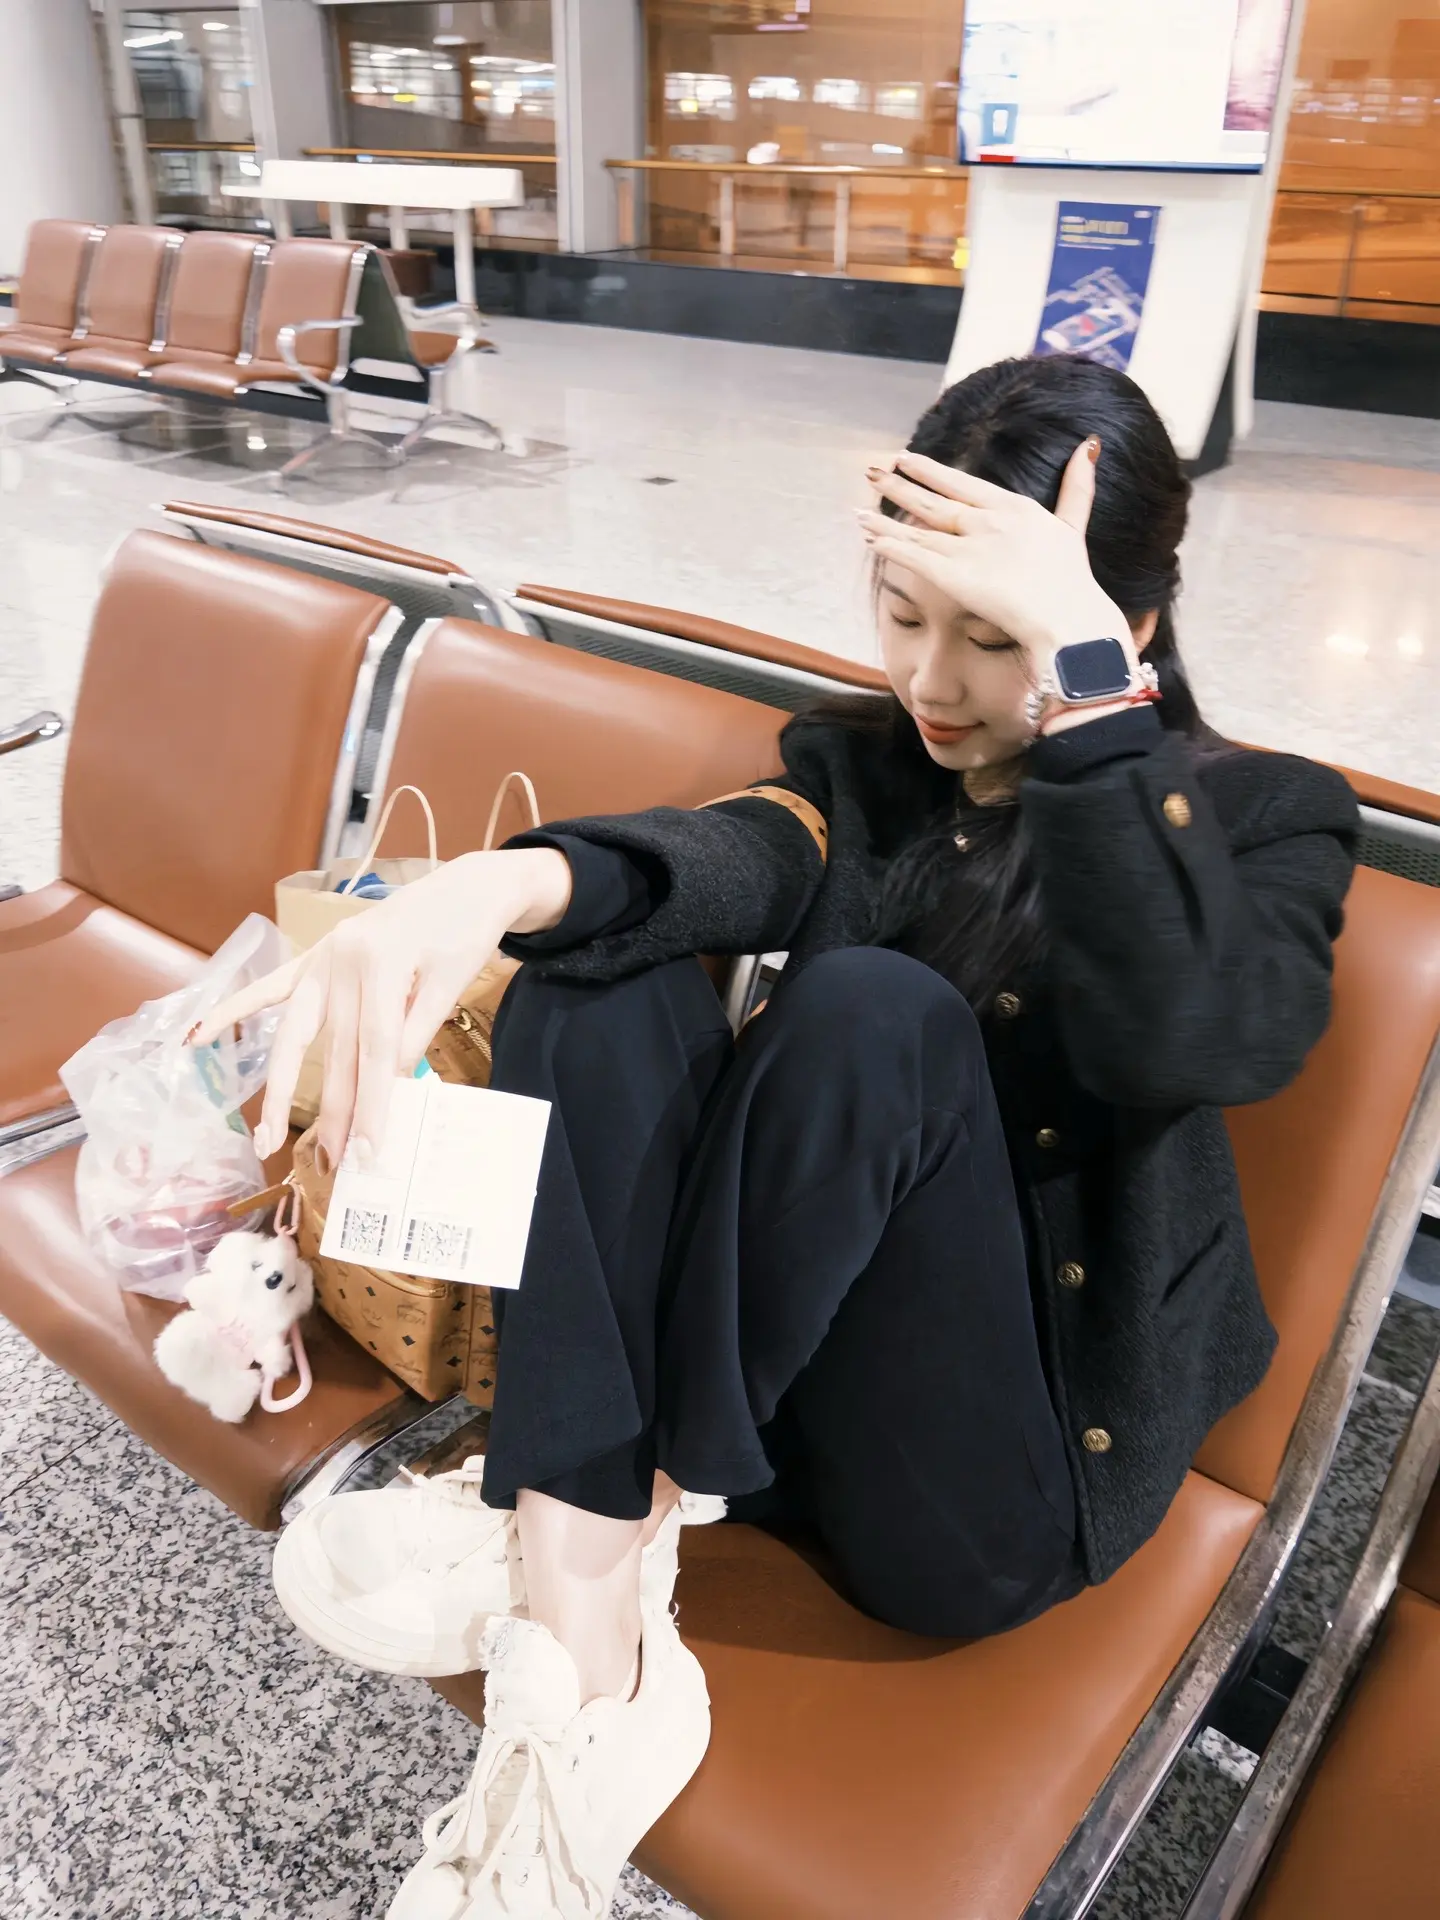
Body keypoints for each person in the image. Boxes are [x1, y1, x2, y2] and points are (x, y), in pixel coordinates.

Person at [196, 354, 1358, 1919]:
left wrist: (1086, 690)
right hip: (771, 1393)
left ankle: (595, 1523)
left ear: (1128, 627)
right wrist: (495, 887)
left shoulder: (1269, 819)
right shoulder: (871, 769)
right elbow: (739, 853)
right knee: (597, 973)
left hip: (990, 1481)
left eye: (993, 637)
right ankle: (589, 1608)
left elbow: (1191, 1035)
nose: (932, 683)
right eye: (905, 616)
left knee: (873, 1009)